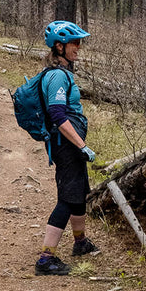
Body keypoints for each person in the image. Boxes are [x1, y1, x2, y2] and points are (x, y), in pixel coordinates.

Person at [35, 20, 99, 275]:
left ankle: (80, 242)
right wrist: (82, 146)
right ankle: (45, 259)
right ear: (59, 47)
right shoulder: (57, 77)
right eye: (74, 43)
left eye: (79, 43)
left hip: (70, 146)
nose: (78, 48)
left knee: (79, 193)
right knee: (66, 200)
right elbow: (58, 116)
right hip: (67, 146)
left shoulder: (62, 74)